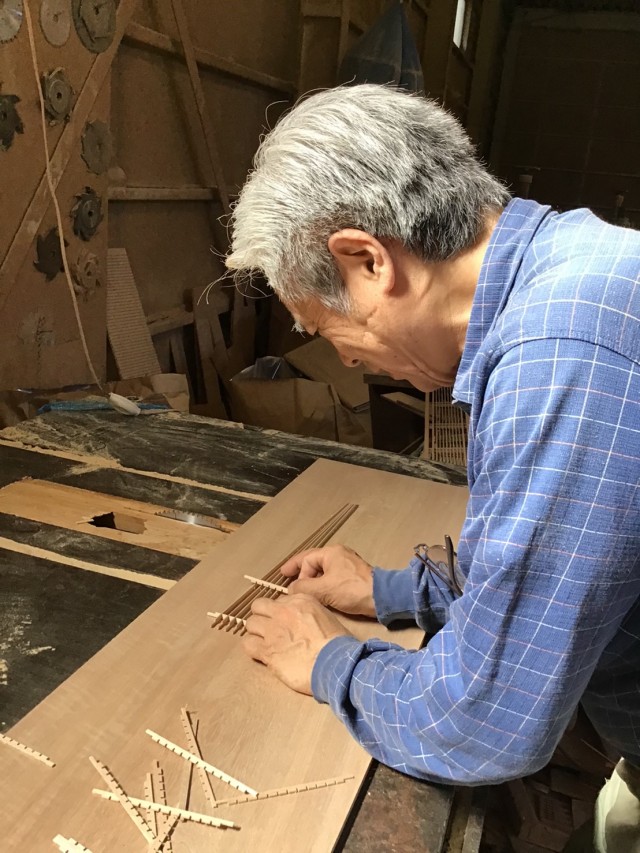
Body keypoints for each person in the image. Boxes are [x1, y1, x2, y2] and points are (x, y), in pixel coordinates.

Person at [225, 85, 640, 851]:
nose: (346, 358)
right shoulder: (573, 270)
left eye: (327, 327)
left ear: (368, 260)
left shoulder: (560, 359)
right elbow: (551, 567)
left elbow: (487, 721)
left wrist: (331, 661)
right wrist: (386, 592)